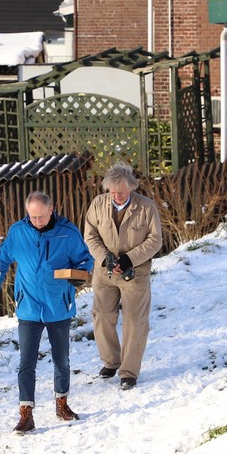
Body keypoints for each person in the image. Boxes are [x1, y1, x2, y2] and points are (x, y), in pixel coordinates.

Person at [0, 191, 94, 433]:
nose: (37, 221)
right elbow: (1, 259)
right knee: (26, 362)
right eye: (32, 217)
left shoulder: (68, 232)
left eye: (41, 217)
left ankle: (62, 404)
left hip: (58, 306)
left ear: (51, 210)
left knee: (61, 360)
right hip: (29, 307)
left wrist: (80, 275)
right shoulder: (18, 232)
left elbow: (85, 259)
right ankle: (26, 413)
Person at [81, 162, 162, 391]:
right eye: (113, 192)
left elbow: (155, 240)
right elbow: (90, 235)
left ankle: (129, 372)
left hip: (135, 272)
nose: (117, 196)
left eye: (122, 192)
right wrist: (104, 257)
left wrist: (129, 259)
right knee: (102, 315)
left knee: (135, 321)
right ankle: (111, 361)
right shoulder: (98, 204)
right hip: (104, 271)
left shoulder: (146, 207)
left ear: (132, 188)